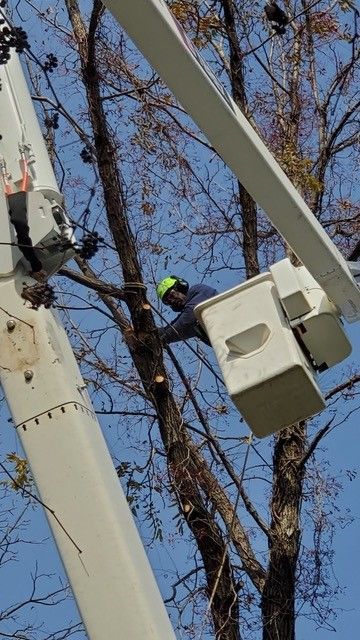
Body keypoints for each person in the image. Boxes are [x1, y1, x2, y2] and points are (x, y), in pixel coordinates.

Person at [156, 275, 218, 345]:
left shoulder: (199, 290)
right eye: (168, 301)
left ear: (180, 288)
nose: (172, 301)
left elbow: (189, 317)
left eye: (171, 296)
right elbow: (170, 329)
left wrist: (164, 338)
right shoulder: (194, 325)